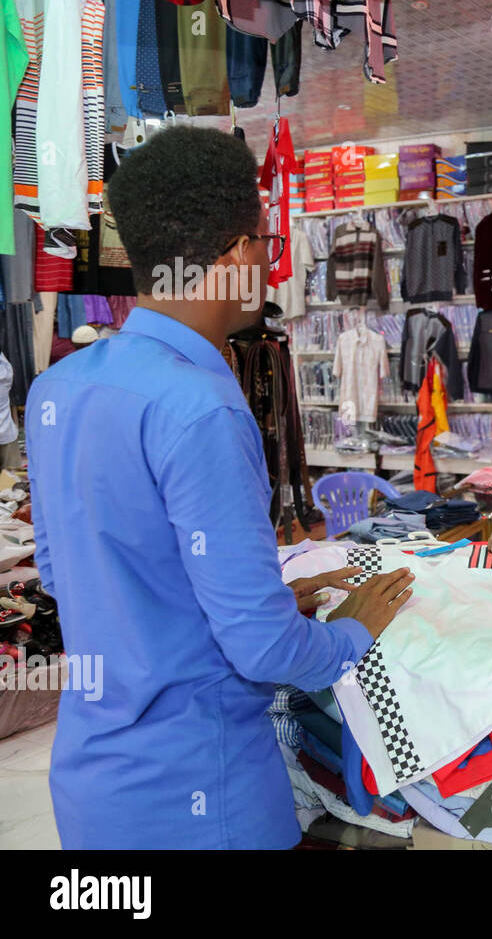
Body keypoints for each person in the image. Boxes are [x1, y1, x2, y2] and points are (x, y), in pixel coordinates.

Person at [25, 126, 415, 849]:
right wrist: (348, 633)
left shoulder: (59, 389)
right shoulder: (200, 401)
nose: (268, 263)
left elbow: (70, 575)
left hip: (94, 791)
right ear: (238, 254)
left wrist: (243, 600)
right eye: (265, 244)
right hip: (201, 797)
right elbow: (263, 652)